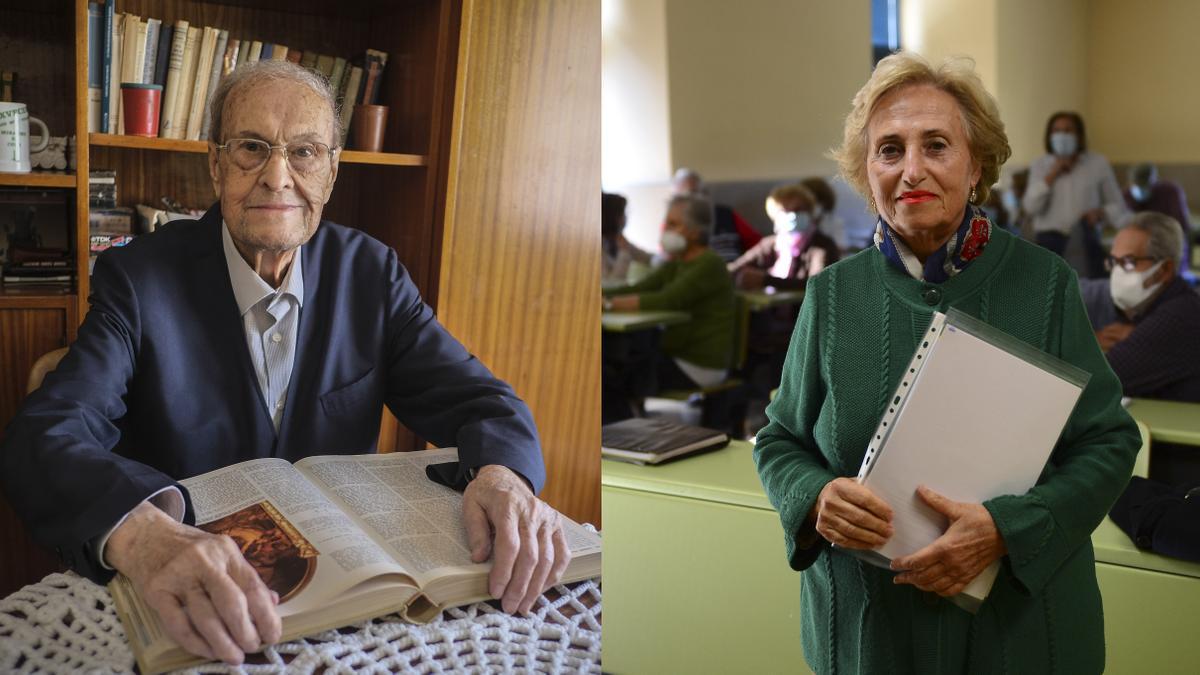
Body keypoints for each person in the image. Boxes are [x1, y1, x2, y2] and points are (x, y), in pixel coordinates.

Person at [0, 61, 570, 665]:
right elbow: (45, 433)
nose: (278, 177)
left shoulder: (371, 273)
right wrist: (146, 538)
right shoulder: (139, 279)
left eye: (303, 152)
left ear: (331, 170)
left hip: (352, 605)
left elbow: (483, 401)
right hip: (198, 605)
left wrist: (503, 476)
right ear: (216, 164)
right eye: (252, 148)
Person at [754, 52, 1139, 674]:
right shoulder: (831, 294)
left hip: (1018, 637)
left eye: (936, 145)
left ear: (975, 162)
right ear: (865, 169)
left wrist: (1007, 528)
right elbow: (778, 439)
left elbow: (1109, 442)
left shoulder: (1045, 284)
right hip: (872, 635)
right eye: (889, 150)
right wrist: (814, 494)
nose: (912, 171)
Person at [602, 193, 735, 421]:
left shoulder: (710, 264)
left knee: (610, 379)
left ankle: (620, 435)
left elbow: (668, 299)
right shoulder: (678, 261)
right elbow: (645, 286)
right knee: (614, 364)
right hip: (676, 355)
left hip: (698, 364)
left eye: (673, 224)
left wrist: (608, 303)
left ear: (695, 231)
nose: (666, 229)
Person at [1094, 212, 1200, 402]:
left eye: (1128, 262)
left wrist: (1090, 343)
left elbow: (1098, 379)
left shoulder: (1179, 317)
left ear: (1165, 269)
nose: (1116, 272)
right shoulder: (1151, 309)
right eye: (1113, 262)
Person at [1023, 111, 1129, 278]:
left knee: (1085, 295)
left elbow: (1119, 208)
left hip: (1086, 242)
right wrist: (1053, 174)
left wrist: (1102, 213)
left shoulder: (1097, 164)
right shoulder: (1040, 165)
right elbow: (1030, 207)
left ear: (1079, 136)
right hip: (1048, 243)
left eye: (1068, 130)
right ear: (1049, 136)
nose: (1062, 135)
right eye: (1056, 131)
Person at [727, 182, 840, 290]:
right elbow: (736, 267)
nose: (792, 214)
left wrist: (766, 280)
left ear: (809, 212)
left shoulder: (822, 246)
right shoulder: (770, 244)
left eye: (798, 209)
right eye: (784, 210)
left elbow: (818, 285)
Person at [672, 167, 762, 262]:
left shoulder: (726, 214)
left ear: (704, 193)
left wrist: (745, 263)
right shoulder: (673, 222)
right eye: (684, 197)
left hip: (733, 269)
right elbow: (667, 256)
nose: (692, 199)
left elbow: (757, 243)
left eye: (695, 192)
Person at [1123, 162, 1193, 272]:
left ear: (1154, 182)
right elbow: (1126, 223)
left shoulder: (1171, 192)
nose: (1141, 189)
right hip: (1142, 246)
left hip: (1170, 242)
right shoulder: (1127, 195)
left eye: (1145, 185)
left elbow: (1181, 225)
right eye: (1137, 185)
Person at [602, 191, 652, 285]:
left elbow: (648, 258)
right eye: (622, 213)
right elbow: (611, 284)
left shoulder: (618, 240)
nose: (625, 218)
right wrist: (624, 252)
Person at [799, 176, 849, 253]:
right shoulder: (799, 222)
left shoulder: (835, 223)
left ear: (823, 203)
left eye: (815, 202)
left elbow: (842, 248)